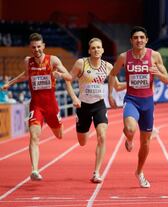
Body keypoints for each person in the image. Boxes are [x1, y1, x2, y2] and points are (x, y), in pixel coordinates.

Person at [1, 33, 72, 181]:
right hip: (36, 105)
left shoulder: (53, 60)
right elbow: (25, 75)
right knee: (34, 136)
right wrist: (10, 83)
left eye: (39, 46)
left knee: (59, 135)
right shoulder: (28, 61)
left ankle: (58, 125)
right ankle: (34, 170)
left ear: (43, 46)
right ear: (30, 48)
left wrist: (59, 74)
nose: (36, 49)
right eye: (33, 47)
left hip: (51, 105)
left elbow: (69, 76)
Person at [108, 26, 168, 188]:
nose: (139, 40)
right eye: (136, 37)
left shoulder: (155, 56)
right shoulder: (124, 57)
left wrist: (158, 73)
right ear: (131, 40)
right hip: (131, 100)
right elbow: (112, 74)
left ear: (146, 40)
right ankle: (128, 138)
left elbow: (167, 80)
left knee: (145, 143)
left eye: (142, 37)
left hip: (148, 103)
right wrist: (110, 94)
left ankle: (139, 172)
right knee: (130, 128)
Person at [65, 38, 124, 183]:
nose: (96, 50)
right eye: (93, 48)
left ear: (103, 50)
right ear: (89, 51)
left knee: (102, 136)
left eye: (99, 47)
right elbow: (68, 80)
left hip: (99, 105)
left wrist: (134, 83)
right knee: (82, 142)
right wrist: (74, 98)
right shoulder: (81, 63)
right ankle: (83, 126)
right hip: (83, 106)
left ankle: (96, 172)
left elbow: (117, 86)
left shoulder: (108, 66)